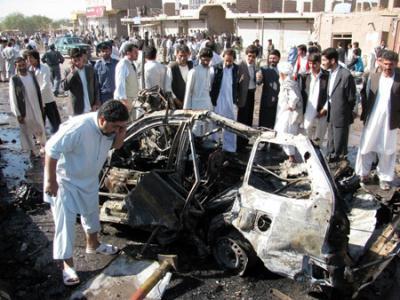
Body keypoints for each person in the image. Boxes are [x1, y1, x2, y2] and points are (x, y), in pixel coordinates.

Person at [43, 100, 129, 286]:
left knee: (91, 214)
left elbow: (117, 146)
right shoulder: (78, 127)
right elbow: (51, 149)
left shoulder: (111, 129)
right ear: (102, 119)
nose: (116, 130)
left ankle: (94, 245)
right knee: (64, 223)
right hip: (65, 181)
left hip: (89, 179)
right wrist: (50, 181)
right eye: (115, 126)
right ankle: (67, 265)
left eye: (120, 127)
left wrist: (121, 131)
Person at [356, 51, 400, 190]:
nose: (388, 67)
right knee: (366, 146)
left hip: (390, 121)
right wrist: (363, 113)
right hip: (373, 119)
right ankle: (364, 174)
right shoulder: (373, 78)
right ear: (381, 63)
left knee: (388, 150)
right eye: (385, 64)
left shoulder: (399, 79)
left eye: (391, 64)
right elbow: (364, 95)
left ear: (396, 64)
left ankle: (385, 178)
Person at [321, 47, 356, 162]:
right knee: (331, 140)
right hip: (331, 113)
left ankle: (340, 165)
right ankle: (331, 159)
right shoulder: (330, 73)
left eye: (324, 61)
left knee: (339, 143)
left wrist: (345, 112)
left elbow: (351, 98)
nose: (323, 63)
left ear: (333, 61)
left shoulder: (345, 75)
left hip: (341, 115)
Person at [9, 57, 46, 157]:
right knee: (27, 130)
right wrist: (18, 114)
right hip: (24, 108)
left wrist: (42, 105)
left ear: (26, 64)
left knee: (40, 126)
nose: (22, 67)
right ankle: (32, 151)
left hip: (36, 105)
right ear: (16, 67)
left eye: (23, 65)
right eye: (19, 66)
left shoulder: (32, 75)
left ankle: (43, 147)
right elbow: (13, 98)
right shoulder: (14, 80)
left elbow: (38, 90)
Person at [210, 49, 239, 153]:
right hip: (218, 100)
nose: (228, 63)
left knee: (230, 125)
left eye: (230, 61)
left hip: (230, 101)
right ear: (223, 58)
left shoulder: (236, 69)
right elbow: (211, 84)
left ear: (233, 60)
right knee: (214, 123)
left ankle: (229, 148)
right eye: (226, 60)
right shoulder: (216, 68)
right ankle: (214, 146)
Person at [274, 62, 303, 163]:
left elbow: (295, 97)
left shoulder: (287, 84)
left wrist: (291, 106)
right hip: (287, 113)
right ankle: (290, 156)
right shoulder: (290, 82)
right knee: (287, 133)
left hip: (288, 115)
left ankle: (291, 157)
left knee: (286, 134)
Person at [27, 50, 61, 134]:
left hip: (47, 98)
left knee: (54, 120)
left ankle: (57, 134)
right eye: (28, 59)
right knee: (40, 120)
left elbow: (46, 84)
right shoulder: (30, 69)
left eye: (31, 58)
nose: (29, 61)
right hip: (36, 100)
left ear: (36, 58)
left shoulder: (44, 68)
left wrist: (38, 94)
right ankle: (40, 136)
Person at [300, 53, 329, 145]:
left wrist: (325, 108)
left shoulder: (327, 76)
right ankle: (307, 157)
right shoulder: (305, 76)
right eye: (310, 63)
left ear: (320, 63)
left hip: (322, 110)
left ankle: (317, 156)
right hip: (308, 110)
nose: (312, 66)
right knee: (306, 134)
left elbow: (331, 94)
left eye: (315, 63)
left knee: (319, 136)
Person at [183, 47, 213, 136]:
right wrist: (186, 109)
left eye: (208, 59)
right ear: (200, 58)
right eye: (204, 59)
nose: (206, 61)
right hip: (196, 106)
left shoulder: (210, 71)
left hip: (207, 104)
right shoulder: (193, 71)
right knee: (195, 131)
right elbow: (188, 91)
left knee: (207, 130)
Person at [62, 48, 100, 116]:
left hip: (91, 108)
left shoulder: (90, 68)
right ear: (71, 60)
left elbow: (96, 87)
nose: (77, 63)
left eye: (79, 60)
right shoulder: (68, 71)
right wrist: (72, 73)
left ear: (82, 58)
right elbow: (64, 87)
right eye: (75, 60)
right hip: (77, 110)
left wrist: (96, 103)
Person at [237, 45, 257, 150]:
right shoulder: (241, 65)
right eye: (249, 56)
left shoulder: (254, 66)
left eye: (253, 57)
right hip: (243, 96)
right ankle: (240, 142)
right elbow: (236, 82)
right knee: (242, 120)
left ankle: (246, 140)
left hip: (251, 94)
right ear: (246, 55)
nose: (251, 59)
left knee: (249, 118)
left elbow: (255, 80)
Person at [114, 43, 140, 119]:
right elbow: (120, 84)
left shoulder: (132, 64)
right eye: (135, 52)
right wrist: (124, 101)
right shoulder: (122, 64)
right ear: (128, 53)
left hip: (132, 101)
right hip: (125, 101)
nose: (137, 54)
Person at [257, 49, 281, 129]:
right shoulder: (264, 69)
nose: (272, 60)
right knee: (264, 125)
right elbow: (259, 82)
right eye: (270, 58)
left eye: (274, 58)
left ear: (278, 58)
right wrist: (259, 78)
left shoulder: (282, 70)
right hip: (266, 101)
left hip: (279, 102)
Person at [165, 45, 193, 109]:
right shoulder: (172, 67)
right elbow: (167, 88)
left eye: (185, 56)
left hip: (189, 101)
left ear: (188, 55)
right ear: (177, 55)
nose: (183, 58)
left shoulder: (191, 65)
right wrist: (177, 101)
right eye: (181, 56)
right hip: (176, 104)